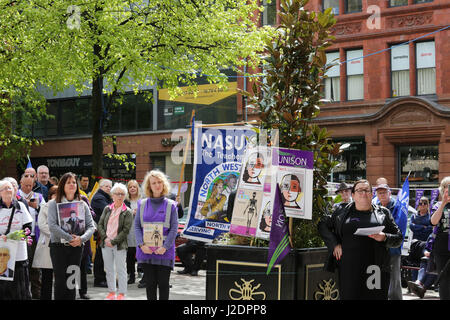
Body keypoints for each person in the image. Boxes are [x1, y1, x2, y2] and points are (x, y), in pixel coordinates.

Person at [318, 179, 403, 300]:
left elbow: (399, 238)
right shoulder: (342, 212)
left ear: (372, 194)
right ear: (353, 195)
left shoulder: (383, 213)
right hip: (349, 268)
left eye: (366, 190)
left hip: (375, 269)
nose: (363, 193)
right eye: (359, 190)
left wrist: (384, 237)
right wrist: (334, 244)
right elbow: (322, 225)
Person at [47, 172, 96, 300]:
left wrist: (81, 239)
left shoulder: (82, 204)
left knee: (71, 280)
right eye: (68, 182)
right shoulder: (53, 204)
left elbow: (92, 226)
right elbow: (52, 226)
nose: (72, 185)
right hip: (58, 247)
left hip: (77, 247)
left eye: (74, 182)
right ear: (62, 185)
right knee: (60, 281)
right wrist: (70, 238)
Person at [135, 170, 178, 300]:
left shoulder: (171, 205)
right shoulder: (142, 204)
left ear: (163, 184)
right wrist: (141, 245)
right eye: (154, 183)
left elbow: (174, 228)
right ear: (149, 186)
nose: (157, 185)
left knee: (164, 285)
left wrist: (165, 246)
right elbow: (136, 226)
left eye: (159, 182)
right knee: (150, 285)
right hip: (146, 250)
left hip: (164, 251)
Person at [98, 183, 133, 300]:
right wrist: (105, 238)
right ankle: (112, 292)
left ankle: (122, 294)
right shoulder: (107, 209)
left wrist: (113, 241)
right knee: (108, 269)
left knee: (121, 269)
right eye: (117, 194)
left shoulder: (127, 211)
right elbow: (100, 225)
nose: (120, 196)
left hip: (119, 245)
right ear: (112, 195)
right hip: (105, 243)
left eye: (122, 194)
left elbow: (126, 230)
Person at [0, 179, 33, 300]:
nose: (8, 190)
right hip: (2, 254)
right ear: (0, 193)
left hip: (19, 254)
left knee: (20, 287)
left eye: (10, 188)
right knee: (4, 287)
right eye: (5, 188)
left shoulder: (21, 206)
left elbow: (28, 227)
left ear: (14, 190)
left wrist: (19, 235)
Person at [374, 182, 408, 300]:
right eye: (379, 193)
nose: (382, 195)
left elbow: (399, 229)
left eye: (384, 192)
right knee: (378, 278)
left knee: (394, 279)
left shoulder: (398, 207)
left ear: (390, 193)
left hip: (393, 247)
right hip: (377, 248)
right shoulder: (375, 207)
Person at [18, 172, 45, 300]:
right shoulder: (16, 196)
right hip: (20, 237)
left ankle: (37, 294)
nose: (28, 188)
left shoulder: (38, 196)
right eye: (26, 185)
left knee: (36, 267)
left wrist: (38, 207)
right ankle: (22, 293)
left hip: (35, 236)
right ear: (20, 183)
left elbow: (46, 214)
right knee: (22, 267)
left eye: (31, 185)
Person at [32, 185, 58, 300]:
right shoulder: (45, 207)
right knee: (47, 276)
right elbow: (42, 226)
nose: (56, 197)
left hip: (61, 246)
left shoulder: (64, 207)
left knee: (60, 278)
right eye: (54, 194)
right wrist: (59, 234)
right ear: (50, 195)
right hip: (47, 245)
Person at [429, 176, 450, 300]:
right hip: (441, 247)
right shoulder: (437, 205)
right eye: (447, 187)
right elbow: (433, 221)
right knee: (444, 278)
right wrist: (443, 203)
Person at [91, 178, 113, 288]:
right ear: (101, 187)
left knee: (104, 255)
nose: (109, 188)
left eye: (110, 186)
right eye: (106, 186)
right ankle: (99, 279)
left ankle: (102, 278)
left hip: (106, 230)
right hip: (102, 231)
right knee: (101, 256)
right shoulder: (99, 198)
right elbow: (109, 210)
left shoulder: (105, 197)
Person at [124, 179, 142, 284]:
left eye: (134, 187)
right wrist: (131, 212)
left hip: (141, 229)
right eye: (130, 187)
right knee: (130, 253)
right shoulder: (125, 201)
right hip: (129, 230)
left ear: (137, 189)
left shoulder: (142, 200)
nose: (132, 189)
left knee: (141, 252)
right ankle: (131, 275)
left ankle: (142, 271)